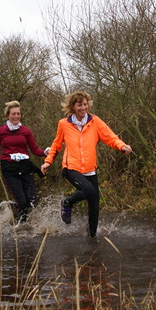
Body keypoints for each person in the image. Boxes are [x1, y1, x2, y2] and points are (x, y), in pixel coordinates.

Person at [41, 90, 132, 237]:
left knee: (94, 204)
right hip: (71, 168)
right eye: (79, 105)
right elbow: (56, 145)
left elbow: (110, 137)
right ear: (72, 107)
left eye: (85, 104)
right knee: (90, 191)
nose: (83, 108)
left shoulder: (95, 121)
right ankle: (68, 202)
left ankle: (92, 236)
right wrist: (47, 162)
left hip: (90, 169)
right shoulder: (64, 124)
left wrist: (121, 146)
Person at [0, 101, 50, 223]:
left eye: (18, 114)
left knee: (33, 201)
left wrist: (45, 152)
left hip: (25, 167)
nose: (16, 116)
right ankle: (22, 226)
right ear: (8, 116)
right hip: (9, 168)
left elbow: (35, 150)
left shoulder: (26, 131)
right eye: (13, 114)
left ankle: (15, 208)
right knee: (22, 201)